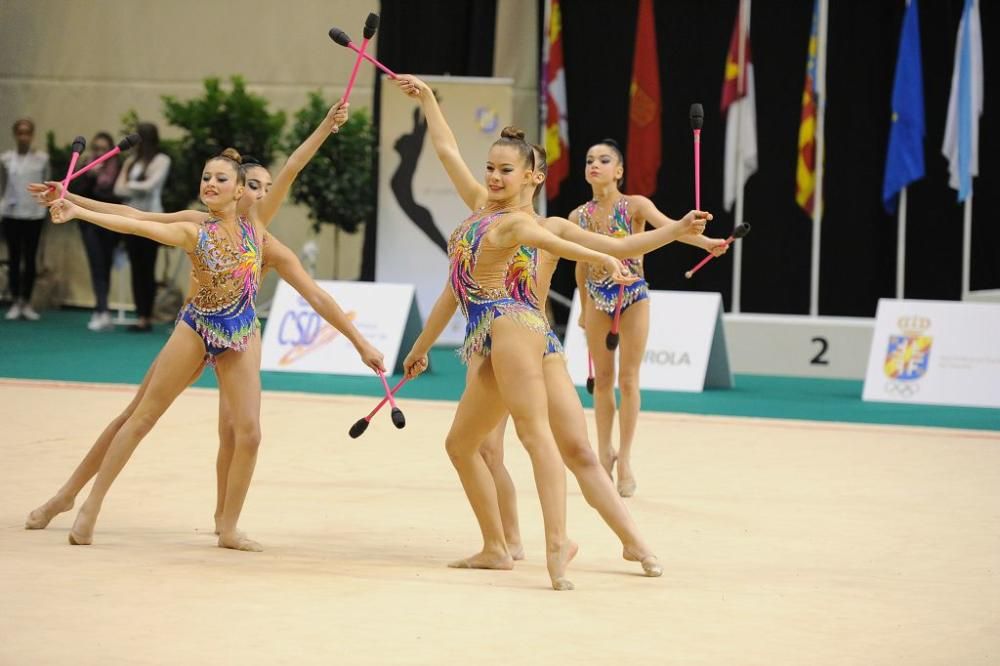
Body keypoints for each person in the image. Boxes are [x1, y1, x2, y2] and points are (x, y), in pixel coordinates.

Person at [41, 97, 349, 551]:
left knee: (247, 431)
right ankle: (82, 502)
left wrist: (327, 124)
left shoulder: (260, 231)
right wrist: (74, 203)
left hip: (239, 335)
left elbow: (294, 167)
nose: (211, 184)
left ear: (244, 189)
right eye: (207, 177)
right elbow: (137, 221)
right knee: (138, 417)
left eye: (222, 179)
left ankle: (227, 526)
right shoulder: (195, 227)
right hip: (195, 327)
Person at [396, 74, 636, 591]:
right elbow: (445, 151)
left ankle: (553, 543)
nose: (494, 176)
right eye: (491, 168)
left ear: (533, 175)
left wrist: (627, 251)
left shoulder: (523, 223)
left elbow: (595, 247)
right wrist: (430, 102)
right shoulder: (482, 210)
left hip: (514, 331)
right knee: (472, 446)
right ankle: (501, 546)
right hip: (489, 336)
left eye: (505, 170)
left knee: (539, 439)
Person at [573, 139, 729, 497]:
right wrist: (582, 307)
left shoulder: (636, 206)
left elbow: (672, 230)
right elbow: (581, 268)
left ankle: (625, 458)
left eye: (604, 159)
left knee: (628, 379)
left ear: (620, 171)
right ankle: (603, 454)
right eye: (589, 159)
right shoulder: (577, 217)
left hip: (633, 297)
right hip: (597, 299)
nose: (594, 164)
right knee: (603, 380)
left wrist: (707, 244)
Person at [114, 122, 170, 332]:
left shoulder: (161, 160)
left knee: (148, 267)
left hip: (153, 220)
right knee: (136, 269)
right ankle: (140, 315)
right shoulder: (131, 161)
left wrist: (131, 187)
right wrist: (135, 187)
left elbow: (151, 186)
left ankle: (148, 313)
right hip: (131, 220)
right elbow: (117, 189)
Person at [71, 131, 123, 331]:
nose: (100, 152)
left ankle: (103, 309)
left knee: (106, 265)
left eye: (104, 149)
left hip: (110, 225)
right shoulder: (86, 167)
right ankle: (101, 309)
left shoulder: (117, 169)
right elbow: (74, 193)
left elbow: (116, 197)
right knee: (96, 266)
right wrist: (89, 176)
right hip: (90, 225)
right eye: (97, 149)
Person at [0, 118, 50, 320]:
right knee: (14, 258)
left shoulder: (41, 159)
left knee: (30, 259)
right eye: (20, 133)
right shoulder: (6, 159)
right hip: (12, 214)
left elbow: (48, 185)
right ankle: (14, 300)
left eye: (27, 133)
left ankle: (26, 301)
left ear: (32, 135)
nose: (23, 137)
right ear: (15, 135)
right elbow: (3, 185)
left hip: (34, 215)